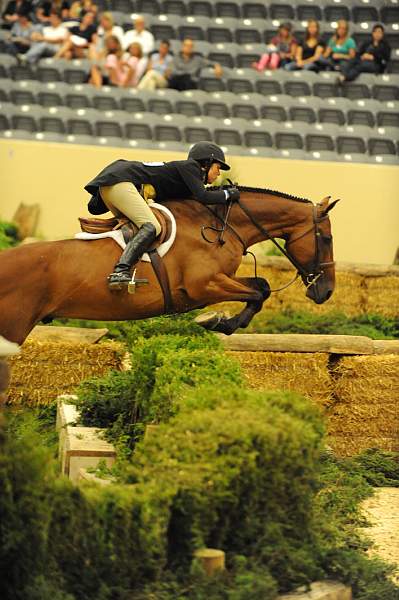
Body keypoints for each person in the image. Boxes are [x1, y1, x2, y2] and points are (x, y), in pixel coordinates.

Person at [84, 142, 240, 289]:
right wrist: (228, 193)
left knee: (134, 231)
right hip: (120, 182)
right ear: (206, 163)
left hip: (112, 185)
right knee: (151, 227)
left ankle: (114, 267)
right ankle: (120, 271)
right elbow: (204, 197)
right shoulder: (191, 167)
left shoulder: (184, 178)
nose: (219, 173)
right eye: (218, 167)